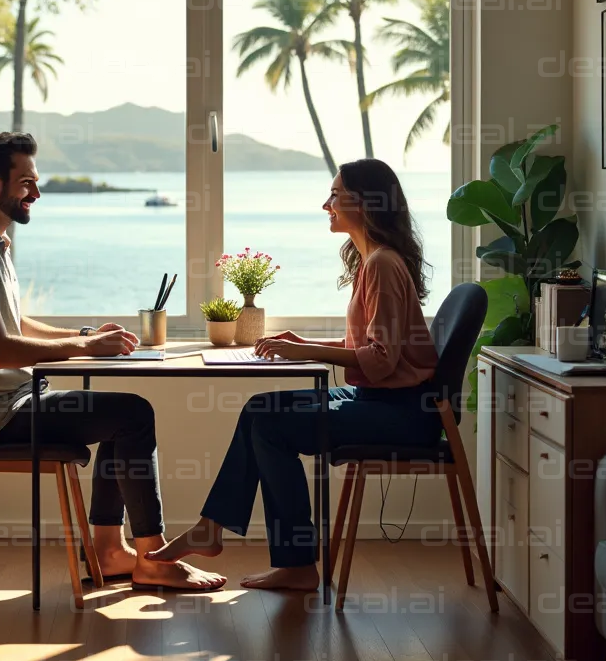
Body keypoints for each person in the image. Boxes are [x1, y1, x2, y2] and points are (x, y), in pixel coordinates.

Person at [0, 131, 225, 592]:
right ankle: (153, 556)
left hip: (17, 399)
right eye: (26, 182)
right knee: (132, 413)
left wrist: (84, 335)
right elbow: (0, 349)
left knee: (120, 414)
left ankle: (111, 553)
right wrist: (85, 350)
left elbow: (14, 323)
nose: (37, 193)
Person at [147, 158, 441, 591]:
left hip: (402, 414)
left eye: (336, 196)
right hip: (382, 402)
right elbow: (382, 350)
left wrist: (302, 350)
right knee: (260, 409)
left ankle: (295, 563)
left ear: (365, 204)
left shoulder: (381, 264)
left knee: (270, 424)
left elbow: (379, 360)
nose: (327, 204)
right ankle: (213, 529)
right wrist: (302, 342)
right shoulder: (373, 262)